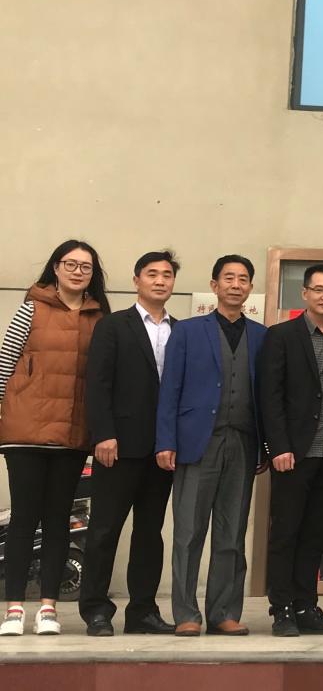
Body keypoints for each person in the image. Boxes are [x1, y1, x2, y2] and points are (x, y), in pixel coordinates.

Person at [0, 239, 111, 636]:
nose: (78, 271)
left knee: (58, 521)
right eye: (71, 264)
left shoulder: (100, 318)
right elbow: (5, 361)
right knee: (24, 518)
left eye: (86, 266)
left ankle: (48, 607)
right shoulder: (32, 307)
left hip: (72, 432)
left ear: (93, 274)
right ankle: (14, 607)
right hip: (26, 431)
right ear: (56, 267)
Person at [155, 254, 267, 637]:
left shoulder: (262, 335)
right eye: (229, 278)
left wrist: (265, 446)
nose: (236, 285)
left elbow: (267, 397)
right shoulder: (187, 331)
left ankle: (224, 612)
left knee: (232, 533)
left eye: (243, 279)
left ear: (250, 287)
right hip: (196, 443)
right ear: (214, 285)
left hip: (243, 442)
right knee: (188, 532)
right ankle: (186, 613)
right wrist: (166, 441)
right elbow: (170, 389)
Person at [79, 251, 180, 637]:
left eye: (167, 275)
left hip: (162, 451)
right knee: (104, 530)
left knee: (150, 534)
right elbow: (97, 383)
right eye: (152, 274)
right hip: (117, 447)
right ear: (137, 280)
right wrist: (103, 434)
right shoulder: (113, 326)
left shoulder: (181, 330)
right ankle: (96, 610)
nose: (160, 280)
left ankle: (143, 611)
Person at [259, 264, 323, 637]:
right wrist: (277, 446)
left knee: (316, 533)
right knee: (286, 532)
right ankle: (281, 609)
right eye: (319, 289)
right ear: (305, 293)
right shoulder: (281, 336)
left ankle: (306, 606)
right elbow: (270, 395)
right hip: (294, 452)